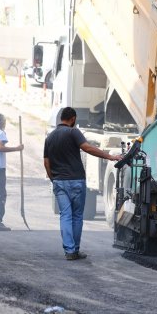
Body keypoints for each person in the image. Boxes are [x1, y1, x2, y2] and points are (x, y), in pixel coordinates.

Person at [44, 107, 121, 260]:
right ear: (72, 118)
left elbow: (46, 162)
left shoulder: (50, 137)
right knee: (77, 216)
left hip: (59, 181)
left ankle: (69, 251)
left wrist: (54, 178)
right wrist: (109, 157)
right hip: (76, 181)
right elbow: (86, 148)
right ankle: (75, 250)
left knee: (65, 215)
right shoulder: (74, 132)